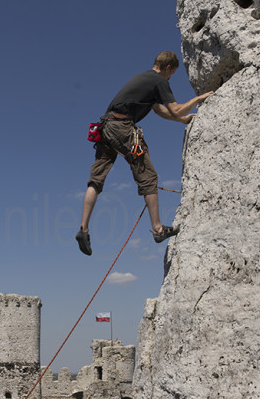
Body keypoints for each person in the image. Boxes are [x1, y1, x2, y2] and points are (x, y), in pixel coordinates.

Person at [77, 51, 213, 255]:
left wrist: (182, 120)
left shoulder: (143, 78)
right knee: (148, 176)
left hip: (105, 127)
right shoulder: (159, 81)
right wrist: (199, 99)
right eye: (172, 74)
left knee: (96, 179)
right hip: (122, 127)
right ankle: (158, 229)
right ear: (168, 68)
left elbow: (160, 111)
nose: (170, 78)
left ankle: (83, 229)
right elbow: (175, 109)